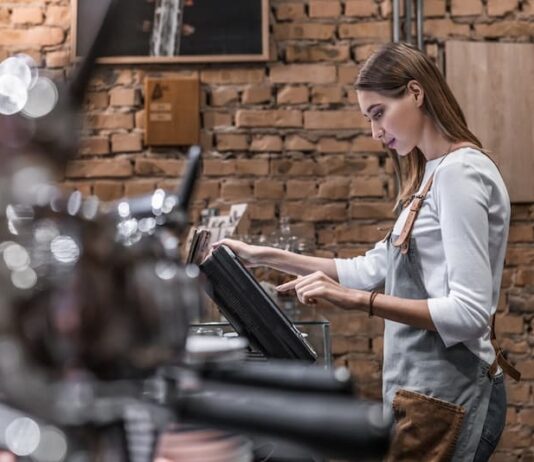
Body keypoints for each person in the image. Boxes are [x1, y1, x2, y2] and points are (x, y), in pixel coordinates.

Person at [212, 42, 520, 461]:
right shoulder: (432, 174)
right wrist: (261, 256)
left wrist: (357, 302)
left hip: (455, 394)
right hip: (431, 394)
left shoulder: (460, 173)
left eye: (379, 113)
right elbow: (370, 267)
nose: (375, 132)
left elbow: (468, 315)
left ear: (415, 92)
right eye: (369, 119)